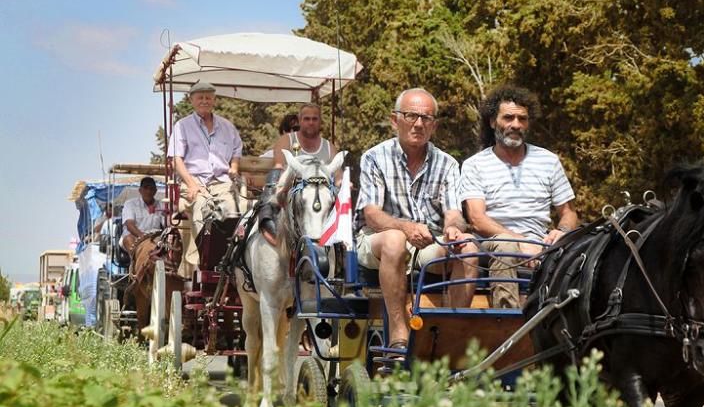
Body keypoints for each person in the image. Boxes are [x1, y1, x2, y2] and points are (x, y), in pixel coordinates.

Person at [356, 88, 479, 349]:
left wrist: (453, 230)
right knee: (394, 240)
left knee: (468, 244)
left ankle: (452, 338)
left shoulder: (447, 164)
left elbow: (454, 213)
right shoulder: (374, 158)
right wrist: (405, 227)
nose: (419, 124)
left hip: (428, 243)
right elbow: (372, 214)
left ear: (434, 125)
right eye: (411, 116)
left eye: (426, 118)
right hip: (378, 241)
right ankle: (399, 335)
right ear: (394, 120)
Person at [460, 85, 578, 308]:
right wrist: (521, 242)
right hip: (494, 245)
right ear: (493, 122)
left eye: (522, 119)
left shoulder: (548, 161)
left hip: (542, 244)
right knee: (506, 247)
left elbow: (569, 213)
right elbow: (477, 219)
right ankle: (508, 324)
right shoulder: (475, 165)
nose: (516, 124)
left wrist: (560, 233)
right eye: (508, 118)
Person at [167, 80, 243, 278]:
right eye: (200, 97)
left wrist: (234, 166)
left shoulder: (227, 126)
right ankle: (206, 260)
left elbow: (236, 149)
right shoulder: (182, 126)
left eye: (208, 97)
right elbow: (176, 160)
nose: (204, 101)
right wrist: (192, 184)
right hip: (194, 182)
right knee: (203, 208)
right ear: (192, 100)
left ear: (214, 100)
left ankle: (231, 257)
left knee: (233, 212)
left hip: (221, 182)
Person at [258, 103, 337, 238]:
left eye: (314, 119)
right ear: (300, 121)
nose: (311, 122)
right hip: (292, 193)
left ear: (320, 121)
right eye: (307, 119)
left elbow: (339, 176)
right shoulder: (286, 140)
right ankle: (267, 220)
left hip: (321, 195)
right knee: (275, 174)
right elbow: (280, 168)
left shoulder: (329, 147)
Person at [120, 177, 166, 254]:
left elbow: (166, 224)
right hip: (135, 237)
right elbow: (130, 225)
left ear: (155, 191)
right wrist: (143, 237)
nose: (148, 191)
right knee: (128, 239)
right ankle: (134, 263)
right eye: (145, 188)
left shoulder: (161, 205)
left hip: (155, 238)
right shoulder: (130, 204)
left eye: (151, 189)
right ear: (140, 190)